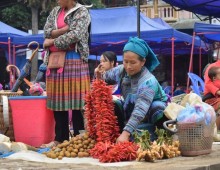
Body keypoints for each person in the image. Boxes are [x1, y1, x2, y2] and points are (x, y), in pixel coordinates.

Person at [95, 37, 168, 143]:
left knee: (158, 107)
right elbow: (105, 78)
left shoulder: (148, 81)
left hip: (149, 114)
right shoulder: (121, 70)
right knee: (114, 104)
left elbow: (140, 110)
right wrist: (98, 74)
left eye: (133, 63)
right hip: (130, 111)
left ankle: (162, 139)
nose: (128, 66)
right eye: (125, 61)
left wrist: (126, 134)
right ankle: (115, 137)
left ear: (143, 62)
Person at [41, 0, 91, 148]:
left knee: (77, 102)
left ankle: (79, 137)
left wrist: (51, 42)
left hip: (74, 59)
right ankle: (60, 138)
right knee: (58, 102)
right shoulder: (55, 11)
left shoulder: (82, 12)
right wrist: (64, 30)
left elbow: (76, 35)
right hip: (55, 61)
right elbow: (46, 31)